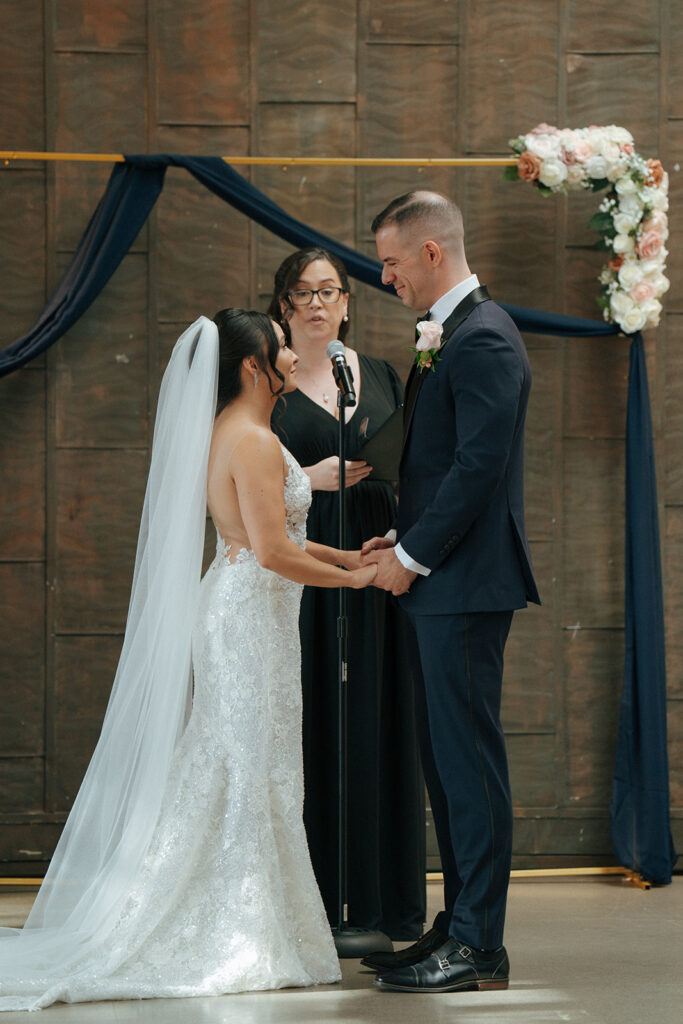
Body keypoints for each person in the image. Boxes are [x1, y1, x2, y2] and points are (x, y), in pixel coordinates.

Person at [0, 310, 377, 1012]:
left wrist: (349, 555)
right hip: (249, 620)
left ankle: (251, 922)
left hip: (244, 609)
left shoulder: (226, 434)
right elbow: (271, 551)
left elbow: (267, 538)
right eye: (282, 347)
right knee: (248, 767)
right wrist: (356, 579)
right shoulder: (257, 442)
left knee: (239, 764)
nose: (295, 355)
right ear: (250, 367)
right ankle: (243, 933)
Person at [360, 192, 540, 993]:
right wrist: (397, 540)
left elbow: (478, 471)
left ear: (432, 254)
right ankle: (459, 922)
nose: (385, 276)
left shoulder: (485, 339)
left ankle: (478, 946)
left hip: (463, 585)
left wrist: (417, 555)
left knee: (469, 767)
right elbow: (437, 468)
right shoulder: (453, 334)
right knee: (445, 767)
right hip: (440, 577)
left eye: (392, 262)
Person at [266, 248, 426, 940]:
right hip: (306, 555)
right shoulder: (266, 384)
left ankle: (382, 899)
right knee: (320, 716)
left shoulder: (383, 373)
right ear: (282, 307)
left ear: (348, 302)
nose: (317, 304)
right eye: (302, 294)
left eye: (329, 291)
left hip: (377, 553)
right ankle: (321, 901)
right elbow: (232, 483)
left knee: (381, 713)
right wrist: (309, 476)